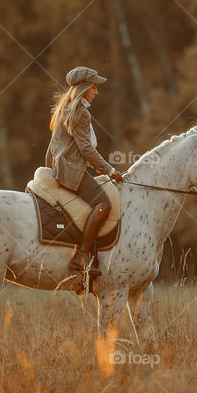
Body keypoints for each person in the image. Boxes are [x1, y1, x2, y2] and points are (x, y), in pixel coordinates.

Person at [46, 66, 124, 272]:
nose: (96, 92)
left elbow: (55, 146)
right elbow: (86, 148)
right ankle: (81, 257)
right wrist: (109, 170)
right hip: (71, 172)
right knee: (103, 205)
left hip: (62, 168)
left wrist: (51, 167)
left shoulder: (64, 108)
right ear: (85, 87)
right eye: (94, 87)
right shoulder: (81, 113)